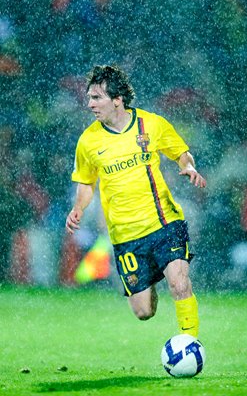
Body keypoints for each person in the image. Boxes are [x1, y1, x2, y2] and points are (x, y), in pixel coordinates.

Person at [66, 64, 206, 339]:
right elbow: (86, 182)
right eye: (89, 98)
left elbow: (181, 152)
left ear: (117, 99)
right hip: (126, 235)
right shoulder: (88, 142)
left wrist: (188, 166)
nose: (90, 104)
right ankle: (152, 275)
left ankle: (190, 344)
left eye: (96, 98)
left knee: (179, 283)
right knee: (143, 311)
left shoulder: (150, 124)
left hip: (164, 222)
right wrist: (78, 208)